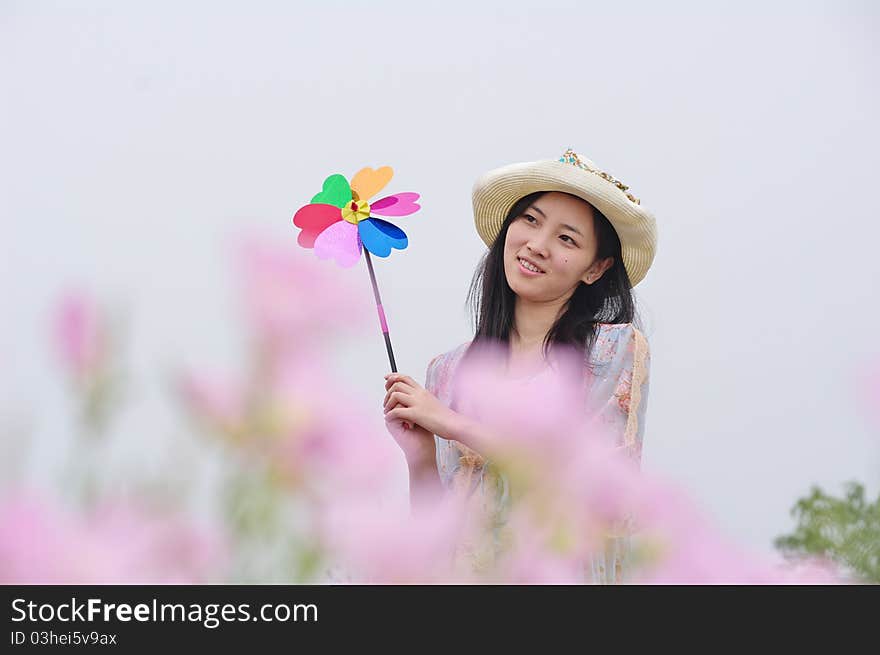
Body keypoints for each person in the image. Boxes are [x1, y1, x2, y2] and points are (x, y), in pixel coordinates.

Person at [382, 148, 657, 583]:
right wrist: (419, 459)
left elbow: (595, 489)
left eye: (567, 238)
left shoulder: (610, 350)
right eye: (530, 220)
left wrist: (452, 424)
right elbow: (437, 532)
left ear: (596, 268)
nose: (537, 245)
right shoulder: (449, 371)